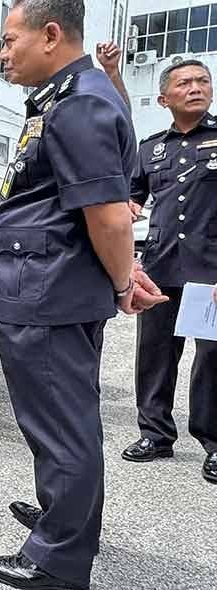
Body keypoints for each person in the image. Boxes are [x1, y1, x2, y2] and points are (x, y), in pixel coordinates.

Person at [0, 0, 168, 590]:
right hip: (47, 285)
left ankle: (57, 558)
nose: (2, 52)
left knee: (61, 424)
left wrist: (120, 282)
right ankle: (69, 518)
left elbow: (109, 216)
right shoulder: (70, 98)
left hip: (47, 292)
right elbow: (92, 211)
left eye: (9, 39)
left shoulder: (80, 102)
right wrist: (119, 274)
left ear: (51, 35)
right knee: (66, 421)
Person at [125, 59, 217, 485]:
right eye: (185, 82)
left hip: (210, 272)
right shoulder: (151, 148)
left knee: (213, 359)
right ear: (164, 99)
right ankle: (156, 434)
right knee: (155, 354)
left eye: (203, 81)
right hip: (161, 267)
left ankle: (214, 443)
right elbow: (130, 201)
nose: (196, 87)